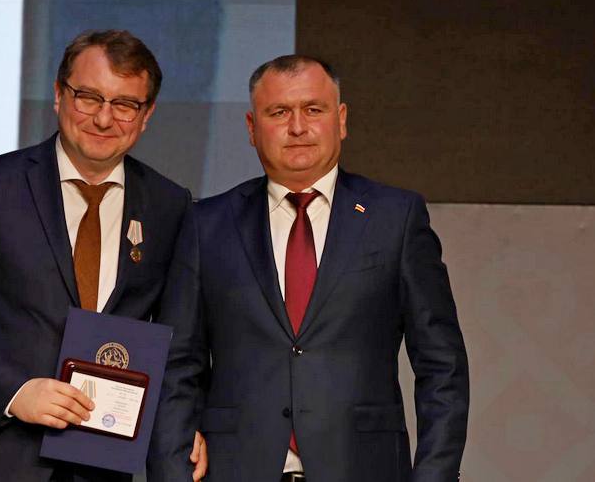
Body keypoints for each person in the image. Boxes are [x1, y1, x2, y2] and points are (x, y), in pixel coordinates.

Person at [148, 55, 469, 481]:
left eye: (313, 110)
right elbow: (176, 365)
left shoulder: (397, 217)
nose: (297, 127)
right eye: (279, 112)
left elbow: (442, 365)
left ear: (341, 120)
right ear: (252, 128)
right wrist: (173, 468)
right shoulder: (206, 224)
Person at [0, 30, 206, 481]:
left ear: (146, 115)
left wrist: (185, 426)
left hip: (99, 465)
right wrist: (14, 391)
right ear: (58, 94)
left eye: (125, 104)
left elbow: (176, 342)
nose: (104, 118)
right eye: (88, 97)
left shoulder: (168, 204)